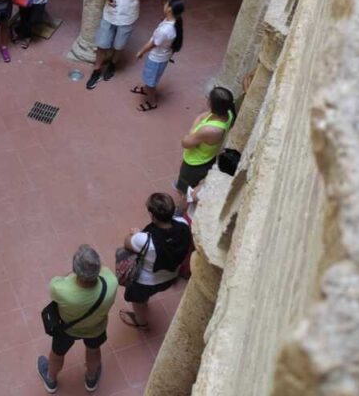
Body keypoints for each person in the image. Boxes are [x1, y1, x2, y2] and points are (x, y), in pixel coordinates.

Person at [37, 245, 117, 394]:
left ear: (75, 270)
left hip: (66, 329)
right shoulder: (111, 282)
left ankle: (51, 379)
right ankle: (91, 379)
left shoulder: (60, 289)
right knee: (94, 351)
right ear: (97, 268)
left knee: (57, 353)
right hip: (96, 328)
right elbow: (105, 271)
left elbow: (61, 279)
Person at [120, 193, 192, 329]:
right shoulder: (183, 225)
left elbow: (127, 243)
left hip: (146, 282)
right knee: (149, 293)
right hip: (170, 276)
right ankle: (144, 305)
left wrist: (135, 234)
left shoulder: (144, 240)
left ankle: (141, 321)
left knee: (138, 300)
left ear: (152, 215)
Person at [86, 0, 151, 90]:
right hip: (109, 13)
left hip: (128, 16)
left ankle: (112, 65)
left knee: (119, 46)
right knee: (102, 44)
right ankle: (96, 71)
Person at [174, 87, 236, 208]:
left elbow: (185, 142)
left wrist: (192, 131)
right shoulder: (228, 113)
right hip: (208, 156)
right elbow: (202, 116)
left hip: (195, 163)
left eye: (209, 98)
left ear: (212, 103)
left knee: (186, 189)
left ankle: (181, 207)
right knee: (187, 183)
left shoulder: (211, 130)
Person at [131, 0, 185, 110]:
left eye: (167, 3)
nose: (164, 4)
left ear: (170, 9)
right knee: (150, 77)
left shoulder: (165, 31)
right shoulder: (173, 22)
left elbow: (153, 44)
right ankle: (145, 89)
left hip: (156, 59)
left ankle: (152, 102)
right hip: (161, 57)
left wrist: (141, 52)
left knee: (151, 82)